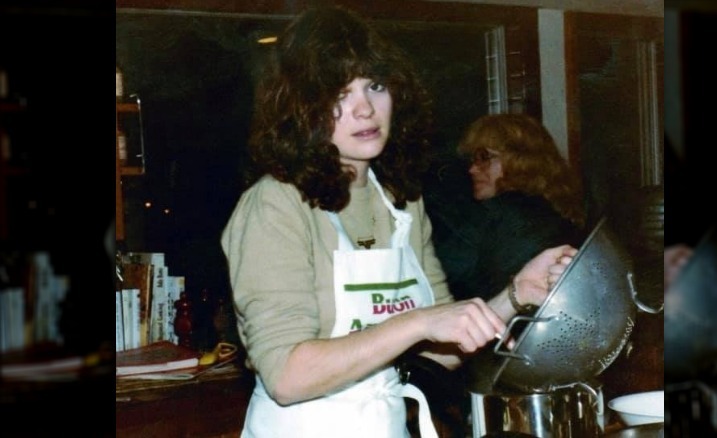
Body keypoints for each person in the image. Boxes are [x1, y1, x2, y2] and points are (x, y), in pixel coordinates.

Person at [220, 6, 577, 438]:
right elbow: (286, 377)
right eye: (338, 94)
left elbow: (442, 353)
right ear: (301, 109)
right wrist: (416, 322)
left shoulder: (400, 203)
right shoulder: (275, 206)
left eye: (375, 85)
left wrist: (516, 294)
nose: (366, 110)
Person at [432, 113, 587, 303]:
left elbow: (440, 278)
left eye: (484, 157)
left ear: (519, 159)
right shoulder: (556, 212)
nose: (472, 169)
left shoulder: (499, 214)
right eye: (473, 159)